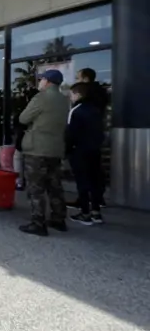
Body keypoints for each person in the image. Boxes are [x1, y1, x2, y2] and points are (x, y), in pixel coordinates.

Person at [18, 69, 70, 236]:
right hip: (55, 149)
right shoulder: (64, 100)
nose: (39, 82)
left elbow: (23, 118)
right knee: (55, 185)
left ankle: (38, 222)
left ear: (47, 81)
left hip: (37, 149)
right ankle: (58, 219)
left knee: (36, 187)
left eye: (41, 80)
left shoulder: (41, 98)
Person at [66, 67, 108, 209]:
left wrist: (68, 149)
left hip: (80, 146)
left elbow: (71, 131)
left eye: (78, 77)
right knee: (95, 174)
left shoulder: (78, 109)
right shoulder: (99, 99)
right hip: (94, 143)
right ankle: (96, 204)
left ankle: (84, 208)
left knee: (83, 177)